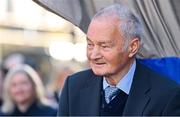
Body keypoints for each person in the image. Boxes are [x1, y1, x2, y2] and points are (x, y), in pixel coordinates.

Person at [57, 3, 180, 116]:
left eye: (104, 46)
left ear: (133, 47)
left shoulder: (166, 95)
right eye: (90, 44)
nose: (93, 55)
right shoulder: (73, 86)